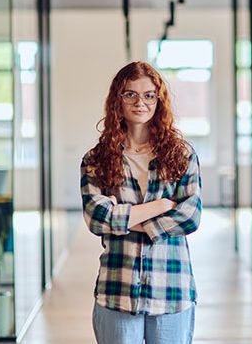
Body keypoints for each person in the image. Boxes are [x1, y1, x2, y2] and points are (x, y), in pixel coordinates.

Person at [81, 61, 201, 344]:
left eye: (149, 95)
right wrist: (161, 206)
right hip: (117, 290)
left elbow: (191, 216)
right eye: (130, 94)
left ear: (159, 101)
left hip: (171, 289)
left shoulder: (181, 155)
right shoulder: (96, 160)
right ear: (117, 101)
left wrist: (124, 217)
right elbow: (97, 219)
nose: (140, 102)